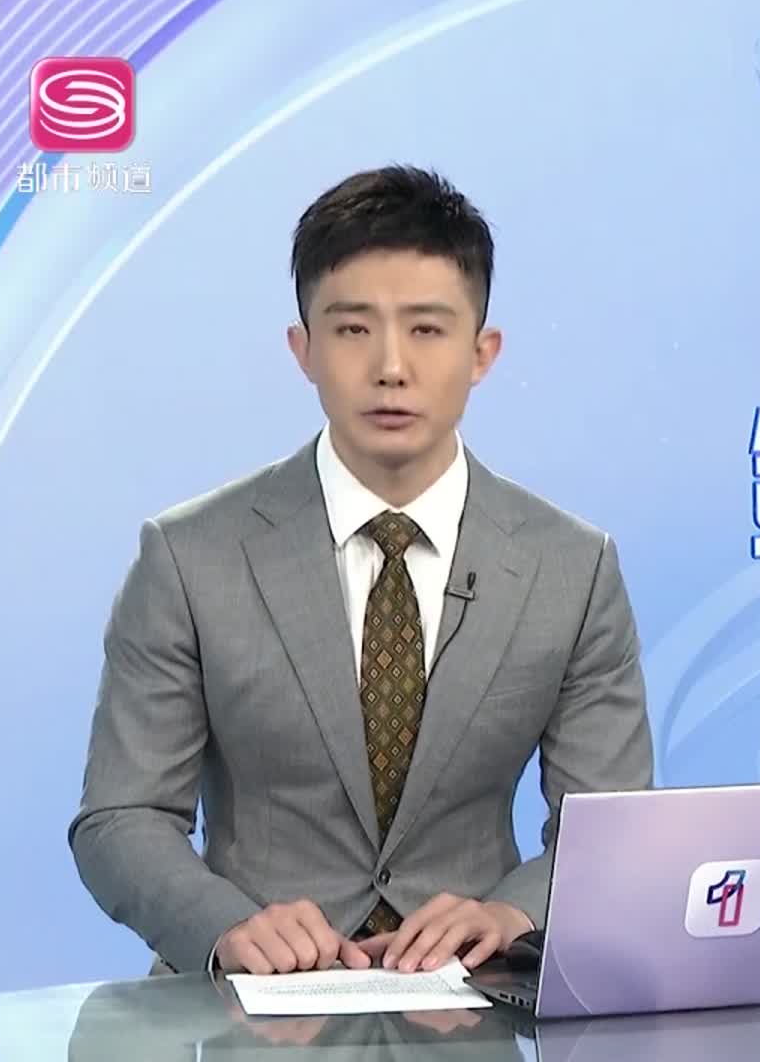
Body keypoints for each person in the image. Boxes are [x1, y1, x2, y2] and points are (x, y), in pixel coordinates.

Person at [69, 165, 654, 977]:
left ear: (482, 353)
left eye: (427, 330)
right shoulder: (189, 557)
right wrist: (226, 928)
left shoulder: (572, 568)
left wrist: (512, 913)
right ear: (303, 350)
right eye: (352, 330)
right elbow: (121, 816)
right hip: (247, 1001)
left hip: (476, 993)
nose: (390, 367)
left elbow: (614, 828)